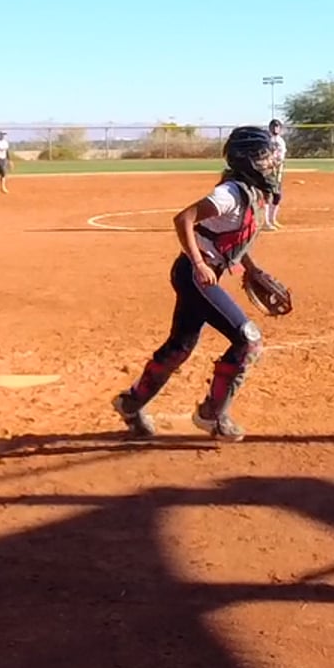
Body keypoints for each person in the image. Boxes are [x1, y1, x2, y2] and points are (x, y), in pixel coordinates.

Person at [111, 126, 282, 442]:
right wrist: (200, 264)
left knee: (180, 346)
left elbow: (229, 239)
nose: (271, 161)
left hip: (199, 274)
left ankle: (130, 403)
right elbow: (184, 218)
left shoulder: (251, 192)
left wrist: (251, 268)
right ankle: (211, 415)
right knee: (248, 340)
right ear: (246, 159)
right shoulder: (229, 194)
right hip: (195, 274)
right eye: (263, 156)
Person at [264, 118, 287, 229]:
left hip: (277, 170)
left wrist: (277, 165)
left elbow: (281, 157)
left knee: (277, 195)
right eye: (273, 126)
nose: (275, 128)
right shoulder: (266, 140)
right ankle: (265, 222)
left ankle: (272, 219)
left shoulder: (281, 141)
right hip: (267, 170)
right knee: (267, 195)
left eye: (277, 126)